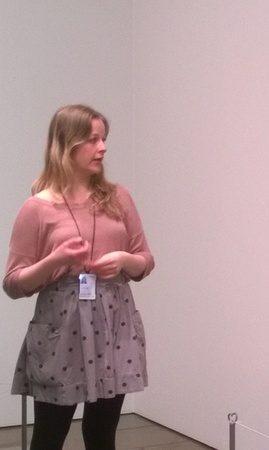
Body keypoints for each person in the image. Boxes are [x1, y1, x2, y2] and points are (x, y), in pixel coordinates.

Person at [3, 104, 155, 449]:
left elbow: (145, 260)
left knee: (102, 433)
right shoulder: (38, 208)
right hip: (62, 329)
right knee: (49, 436)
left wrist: (124, 260)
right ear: (66, 144)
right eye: (92, 140)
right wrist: (55, 260)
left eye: (104, 139)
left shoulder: (118, 197)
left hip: (114, 323)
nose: (103, 147)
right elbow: (13, 283)